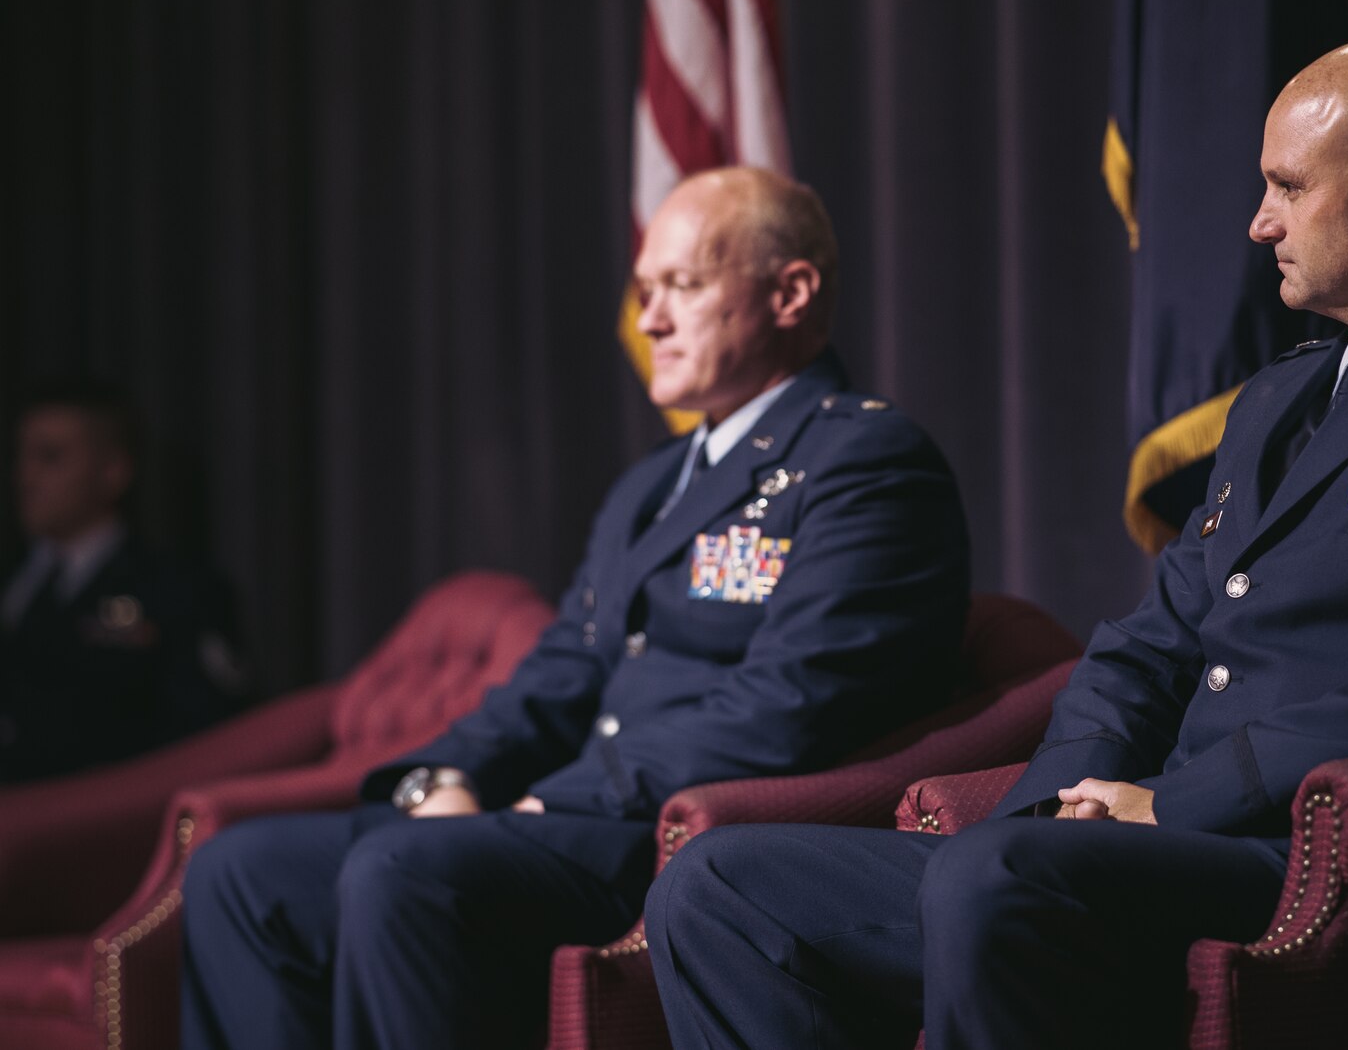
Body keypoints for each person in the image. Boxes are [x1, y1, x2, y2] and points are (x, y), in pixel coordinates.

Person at [647, 37, 1348, 1050]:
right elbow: (1151, 640)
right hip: (1148, 837)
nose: (1256, 220)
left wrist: (1179, 798)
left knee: (991, 879)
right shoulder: (1279, 394)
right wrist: (1060, 798)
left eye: (1284, 185)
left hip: (1332, 849)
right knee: (717, 884)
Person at [179, 167, 972, 1050]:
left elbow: (792, 705)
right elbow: (563, 670)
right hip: (584, 817)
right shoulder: (651, 485)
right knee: (239, 871)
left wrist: (549, 804)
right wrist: (444, 775)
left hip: (687, 833)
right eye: (644, 291)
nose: (650, 321)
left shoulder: (865, 460)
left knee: (403, 868)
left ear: (789, 292)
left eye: (683, 285)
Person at [1, 383, 243, 782]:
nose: (26, 477)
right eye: (20, 457)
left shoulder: (173, 589)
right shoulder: (15, 583)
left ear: (112, 470)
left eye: (51, 457)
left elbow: (211, 734)